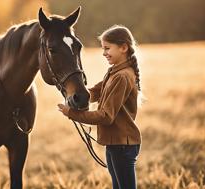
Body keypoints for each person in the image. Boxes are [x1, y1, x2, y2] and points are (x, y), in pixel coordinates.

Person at [57, 25, 142, 189]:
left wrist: (72, 113)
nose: (104, 53)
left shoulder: (122, 77)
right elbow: (96, 91)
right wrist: (77, 97)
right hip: (115, 144)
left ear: (124, 47)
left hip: (122, 145)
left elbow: (105, 116)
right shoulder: (114, 72)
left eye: (107, 48)